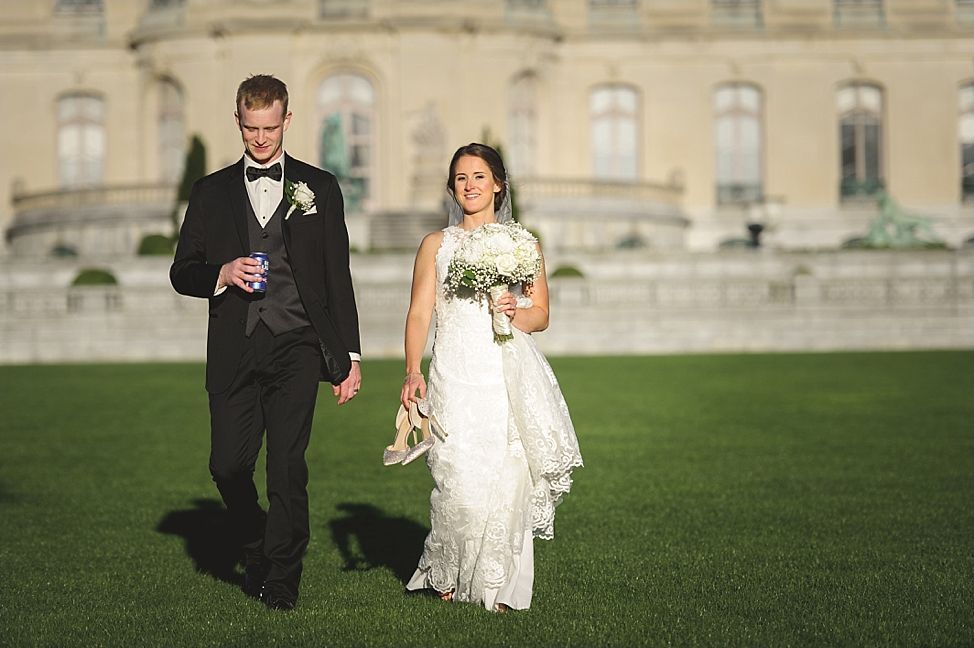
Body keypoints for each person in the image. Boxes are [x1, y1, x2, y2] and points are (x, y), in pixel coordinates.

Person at [170, 74, 362, 611]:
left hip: (297, 343)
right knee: (227, 466)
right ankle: (254, 544)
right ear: (238, 121)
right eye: (251, 128)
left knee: (286, 466)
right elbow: (181, 271)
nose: (260, 139)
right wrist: (223, 271)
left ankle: (281, 578)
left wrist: (349, 357)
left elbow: (336, 276)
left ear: (287, 120)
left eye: (270, 128)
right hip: (234, 344)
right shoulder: (209, 193)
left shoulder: (319, 188)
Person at [399, 143, 583, 612]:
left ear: (498, 184)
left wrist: (512, 310)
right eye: (461, 178)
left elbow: (540, 314)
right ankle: (447, 569)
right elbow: (420, 312)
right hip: (453, 373)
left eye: (479, 177)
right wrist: (412, 370)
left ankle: (499, 587)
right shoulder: (435, 245)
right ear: (451, 187)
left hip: (503, 371)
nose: (470, 186)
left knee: (506, 476)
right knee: (456, 474)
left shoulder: (524, 243)